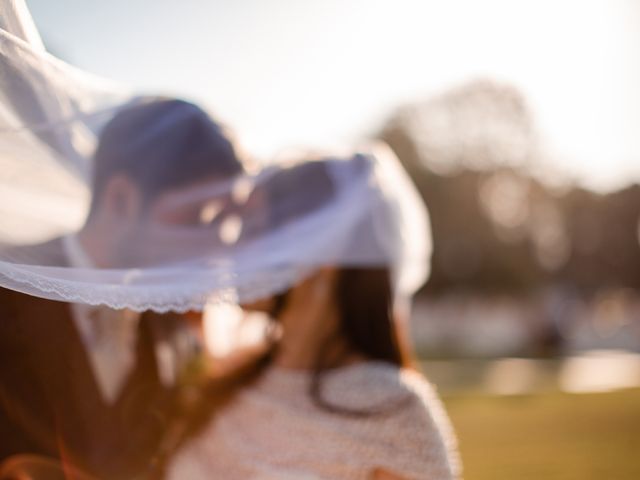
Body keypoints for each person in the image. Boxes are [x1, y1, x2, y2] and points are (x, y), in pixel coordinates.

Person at [167, 158, 461, 480]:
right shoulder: (228, 381)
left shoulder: (394, 415)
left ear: (324, 247)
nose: (234, 246)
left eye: (253, 228)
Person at [0, 97, 244, 479]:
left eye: (229, 220)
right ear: (120, 200)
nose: (220, 244)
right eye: (201, 217)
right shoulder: (8, 292)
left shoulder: (178, 338)